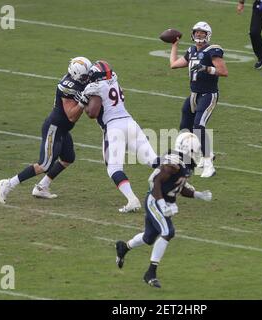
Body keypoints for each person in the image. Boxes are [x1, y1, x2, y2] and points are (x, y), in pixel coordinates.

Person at [114, 132, 212, 288]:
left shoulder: (184, 165)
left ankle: (123, 247)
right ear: (187, 149)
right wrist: (162, 203)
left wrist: (197, 194)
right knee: (168, 232)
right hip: (155, 201)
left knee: (149, 238)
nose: (197, 154)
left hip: (161, 201)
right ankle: (150, 273)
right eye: (195, 151)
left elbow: (177, 188)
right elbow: (155, 180)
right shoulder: (174, 163)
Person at [0, 57, 92, 204]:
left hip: (63, 129)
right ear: (75, 74)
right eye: (85, 76)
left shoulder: (79, 80)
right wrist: (82, 102)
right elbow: (72, 116)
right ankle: (9, 183)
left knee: (68, 158)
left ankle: (42, 187)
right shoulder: (67, 86)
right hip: (54, 128)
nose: (87, 79)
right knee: (44, 165)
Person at [78, 60, 160, 213]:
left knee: (114, 168)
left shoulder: (96, 87)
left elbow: (93, 113)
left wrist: (83, 102)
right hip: (130, 123)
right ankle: (181, 173)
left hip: (114, 128)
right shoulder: (115, 83)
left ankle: (132, 200)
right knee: (152, 160)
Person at [169, 21, 228, 178]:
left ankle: (209, 165)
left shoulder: (212, 51)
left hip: (208, 94)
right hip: (194, 95)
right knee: (184, 127)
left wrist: (206, 68)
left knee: (198, 126)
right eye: (197, 32)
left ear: (207, 34)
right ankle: (192, 160)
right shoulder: (191, 51)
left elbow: (223, 71)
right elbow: (174, 64)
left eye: (202, 32)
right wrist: (174, 45)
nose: (199, 35)